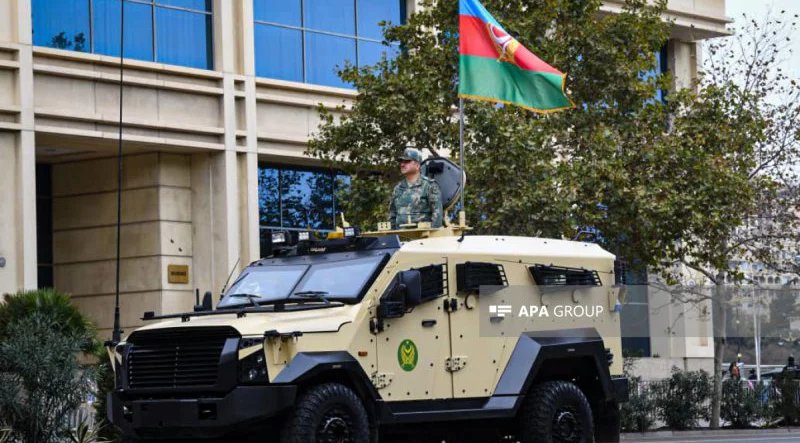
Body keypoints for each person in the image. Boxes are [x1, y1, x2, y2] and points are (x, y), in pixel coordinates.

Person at [389, 147, 443, 229]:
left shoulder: (429, 186)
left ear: (417, 165)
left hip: (422, 235)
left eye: (407, 161)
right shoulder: (398, 188)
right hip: (401, 235)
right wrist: (393, 234)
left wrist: (429, 234)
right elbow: (392, 214)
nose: (402, 164)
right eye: (402, 162)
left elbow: (437, 216)